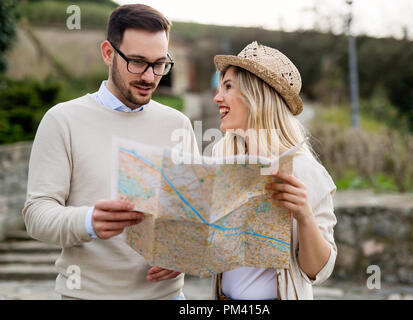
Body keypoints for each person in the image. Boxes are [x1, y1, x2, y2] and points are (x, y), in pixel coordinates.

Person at [22, 4, 199, 300]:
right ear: (108, 53)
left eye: (159, 64)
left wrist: (185, 251)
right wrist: (89, 221)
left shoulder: (177, 124)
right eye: (138, 62)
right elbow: (37, 215)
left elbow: (194, 216)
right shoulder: (62, 120)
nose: (149, 76)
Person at [210, 41, 337, 300]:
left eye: (228, 86)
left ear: (256, 96)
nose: (217, 97)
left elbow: (317, 272)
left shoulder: (306, 171)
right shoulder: (219, 158)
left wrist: (304, 216)